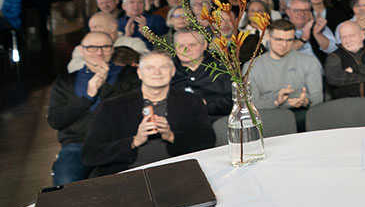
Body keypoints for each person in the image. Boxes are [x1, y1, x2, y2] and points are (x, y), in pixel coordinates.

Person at [82, 51, 215, 177]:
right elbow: (90, 155)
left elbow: (207, 142)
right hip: (128, 175)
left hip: (178, 172)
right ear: (139, 73)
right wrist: (134, 141)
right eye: (150, 68)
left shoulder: (191, 102)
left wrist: (171, 136)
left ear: (173, 71)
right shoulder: (112, 107)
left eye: (163, 67)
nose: (157, 72)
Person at [47, 32, 138, 184]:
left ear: (113, 50)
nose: (99, 52)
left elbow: (131, 111)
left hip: (119, 142)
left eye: (105, 47)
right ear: (81, 50)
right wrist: (88, 96)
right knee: (65, 184)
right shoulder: (65, 81)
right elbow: (56, 121)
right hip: (78, 144)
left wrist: (105, 84)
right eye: (92, 47)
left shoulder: (130, 75)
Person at [246, 19, 324, 117]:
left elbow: (318, 98)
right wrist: (276, 102)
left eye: (289, 40)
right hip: (267, 117)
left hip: (304, 114)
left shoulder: (309, 61)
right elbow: (250, 104)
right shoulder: (252, 66)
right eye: (279, 39)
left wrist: (306, 101)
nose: (284, 45)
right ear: (268, 37)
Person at [171, 29, 233, 116]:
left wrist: (206, 105)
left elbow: (234, 102)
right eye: (181, 46)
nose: (186, 49)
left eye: (192, 45)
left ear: (204, 45)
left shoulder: (222, 69)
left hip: (216, 122)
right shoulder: (165, 70)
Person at [67, 12, 148, 72]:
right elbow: (72, 68)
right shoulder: (84, 47)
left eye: (96, 27)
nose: (93, 31)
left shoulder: (133, 43)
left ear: (113, 27)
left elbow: (147, 63)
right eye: (91, 28)